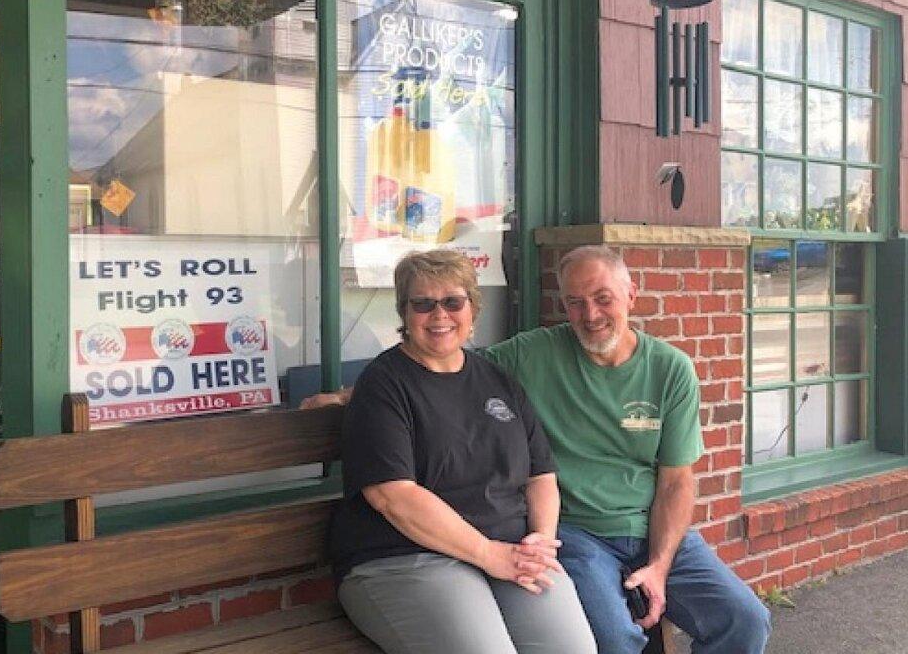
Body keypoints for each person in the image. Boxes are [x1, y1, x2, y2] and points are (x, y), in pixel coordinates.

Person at [307, 245, 771, 654]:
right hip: (516, 543)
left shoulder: (666, 369)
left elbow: (666, 480)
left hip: (602, 535)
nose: (589, 315)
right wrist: (348, 395)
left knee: (742, 619)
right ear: (404, 313)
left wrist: (651, 563)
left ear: (632, 295)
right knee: (609, 638)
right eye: (575, 302)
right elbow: (419, 400)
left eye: (452, 302)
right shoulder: (525, 357)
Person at [328, 249, 596, 654]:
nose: (439, 315)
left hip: (508, 551)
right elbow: (392, 495)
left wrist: (541, 539)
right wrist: (487, 554)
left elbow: (540, 475)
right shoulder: (384, 384)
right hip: (405, 557)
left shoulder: (497, 379)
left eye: (453, 301)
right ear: (404, 312)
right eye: (423, 304)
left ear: (473, 308)